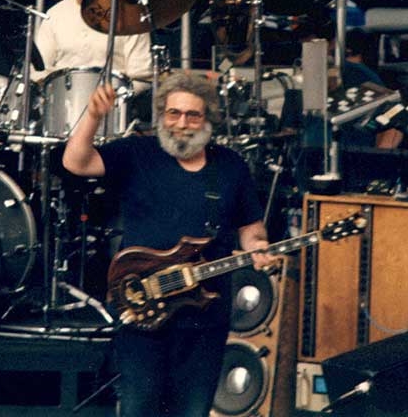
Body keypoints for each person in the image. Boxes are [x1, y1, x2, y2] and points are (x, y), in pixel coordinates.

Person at [62, 71, 274, 417]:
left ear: (209, 120)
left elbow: (251, 229)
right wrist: (94, 116)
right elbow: (76, 162)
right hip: (142, 307)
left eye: (193, 115)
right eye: (173, 113)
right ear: (160, 115)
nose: (182, 123)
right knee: (139, 408)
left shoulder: (231, 166)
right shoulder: (137, 152)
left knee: (192, 411)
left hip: (204, 316)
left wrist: (259, 247)